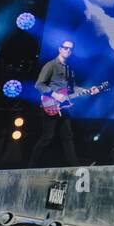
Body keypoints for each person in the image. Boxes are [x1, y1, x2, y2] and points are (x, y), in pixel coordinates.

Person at [30, 39, 98, 167]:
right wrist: (54, 94)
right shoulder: (51, 65)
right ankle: (31, 166)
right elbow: (39, 85)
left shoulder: (69, 69)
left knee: (68, 137)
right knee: (47, 137)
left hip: (64, 107)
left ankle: (75, 167)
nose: (68, 51)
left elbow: (73, 89)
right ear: (59, 49)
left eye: (70, 49)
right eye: (65, 48)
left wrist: (88, 90)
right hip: (49, 105)